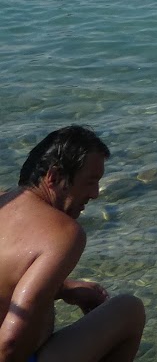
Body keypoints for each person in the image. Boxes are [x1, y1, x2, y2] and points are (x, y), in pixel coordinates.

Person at [0, 125, 146, 362]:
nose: (96, 193)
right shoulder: (64, 233)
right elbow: (10, 341)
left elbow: (6, 279)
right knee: (129, 310)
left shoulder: (4, 202)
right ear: (55, 177)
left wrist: (65, 289)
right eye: (90, 181)